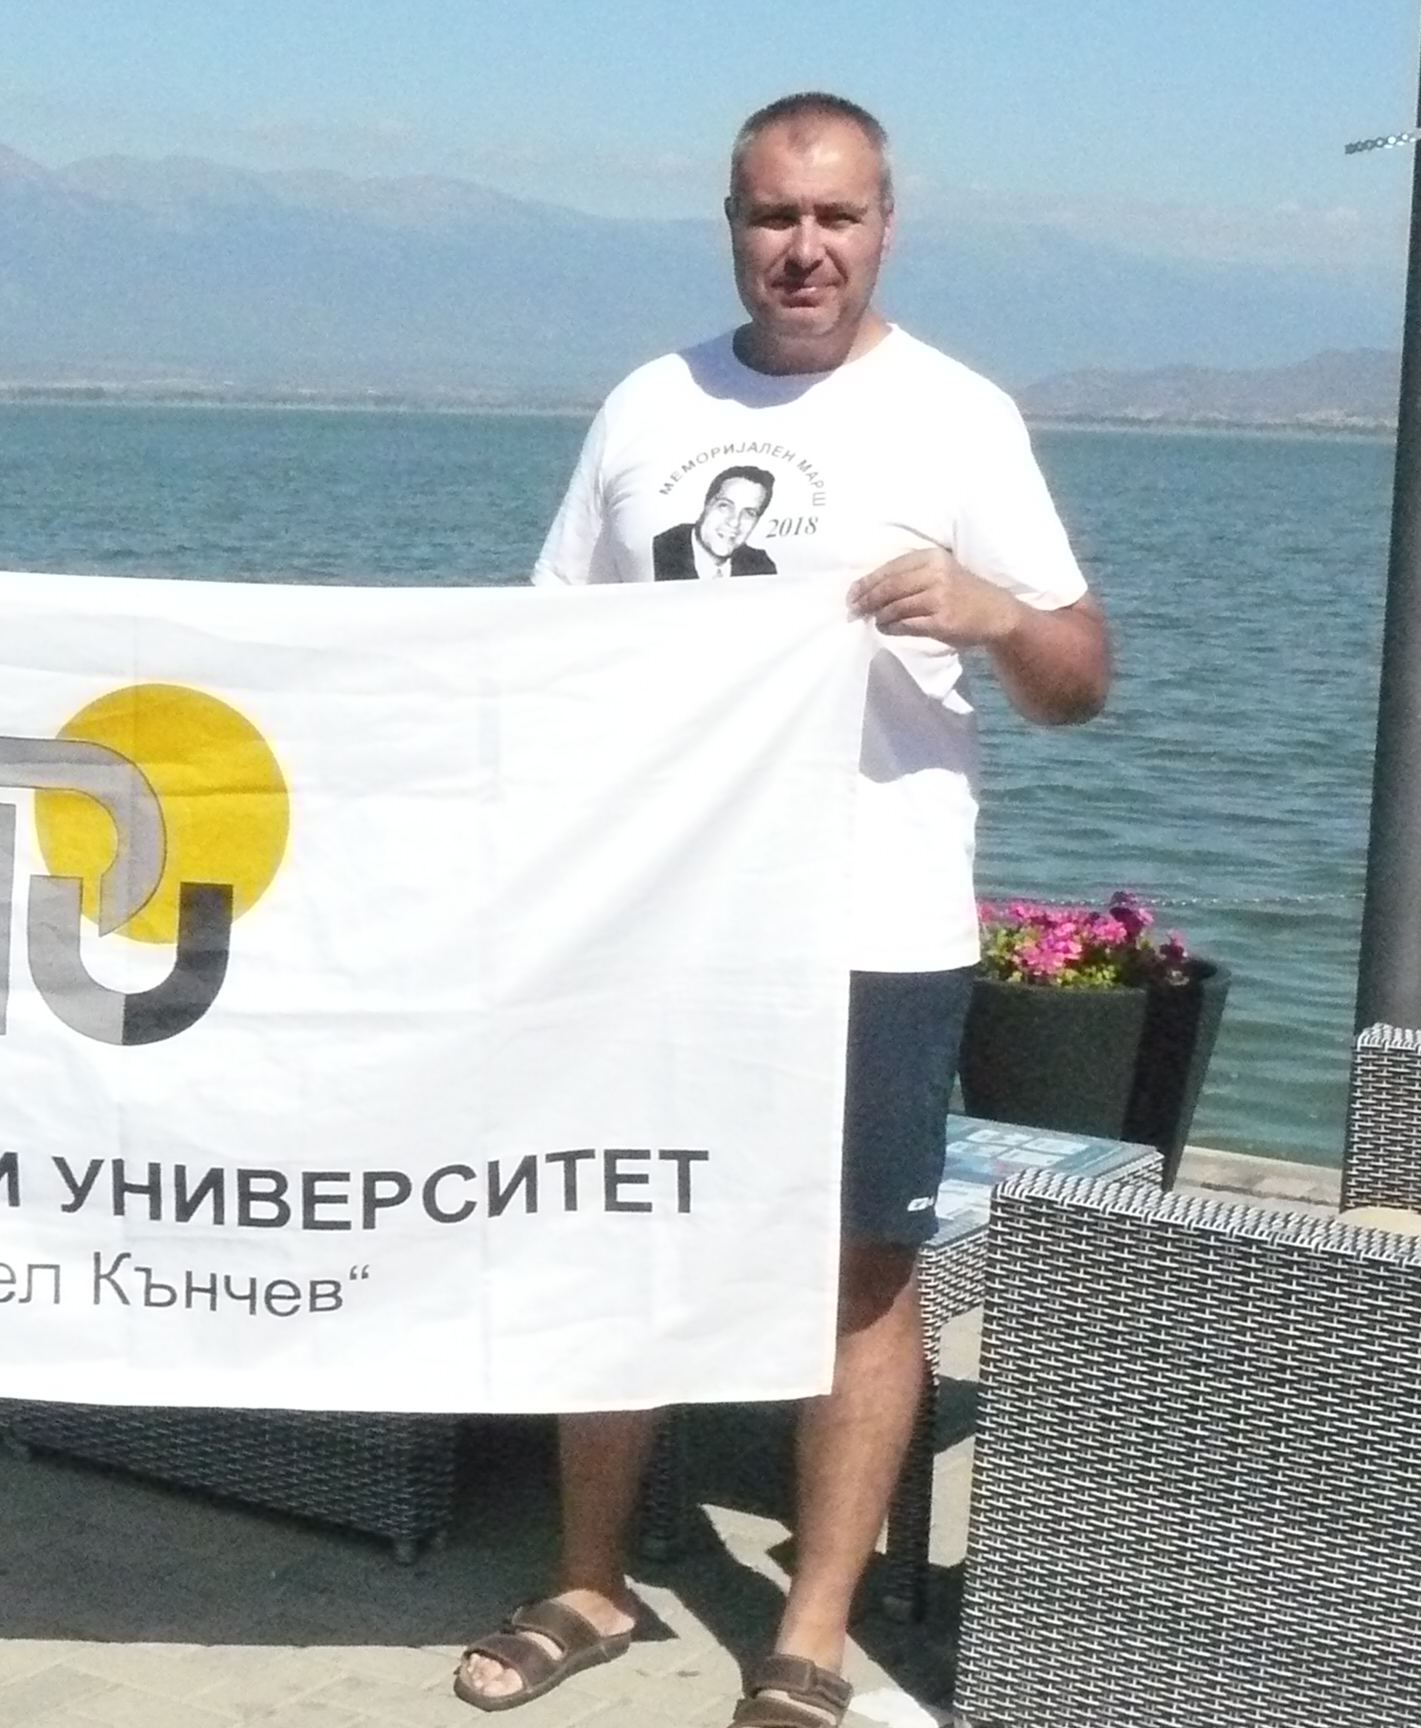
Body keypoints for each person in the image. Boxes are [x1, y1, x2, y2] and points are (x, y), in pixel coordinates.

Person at [455, 94, 1112, 1728]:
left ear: (884, 226)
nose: (804, 248)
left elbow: (1079, 679)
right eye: (773, 217)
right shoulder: (647, 404)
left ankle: (808, 1635)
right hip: (665, 919)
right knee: (618, 1231)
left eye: (835, 217)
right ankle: (590, 1579)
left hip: (874, 923)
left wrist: (992, 611)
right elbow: (551, 656)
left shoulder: (958, 417)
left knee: (859, 1273)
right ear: (732, 225)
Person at [651, 463, 780, 579]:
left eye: (749, 513)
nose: (734, 522)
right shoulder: (656, 552)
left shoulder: (761, 566)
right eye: (725, 506)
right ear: (706, 504)